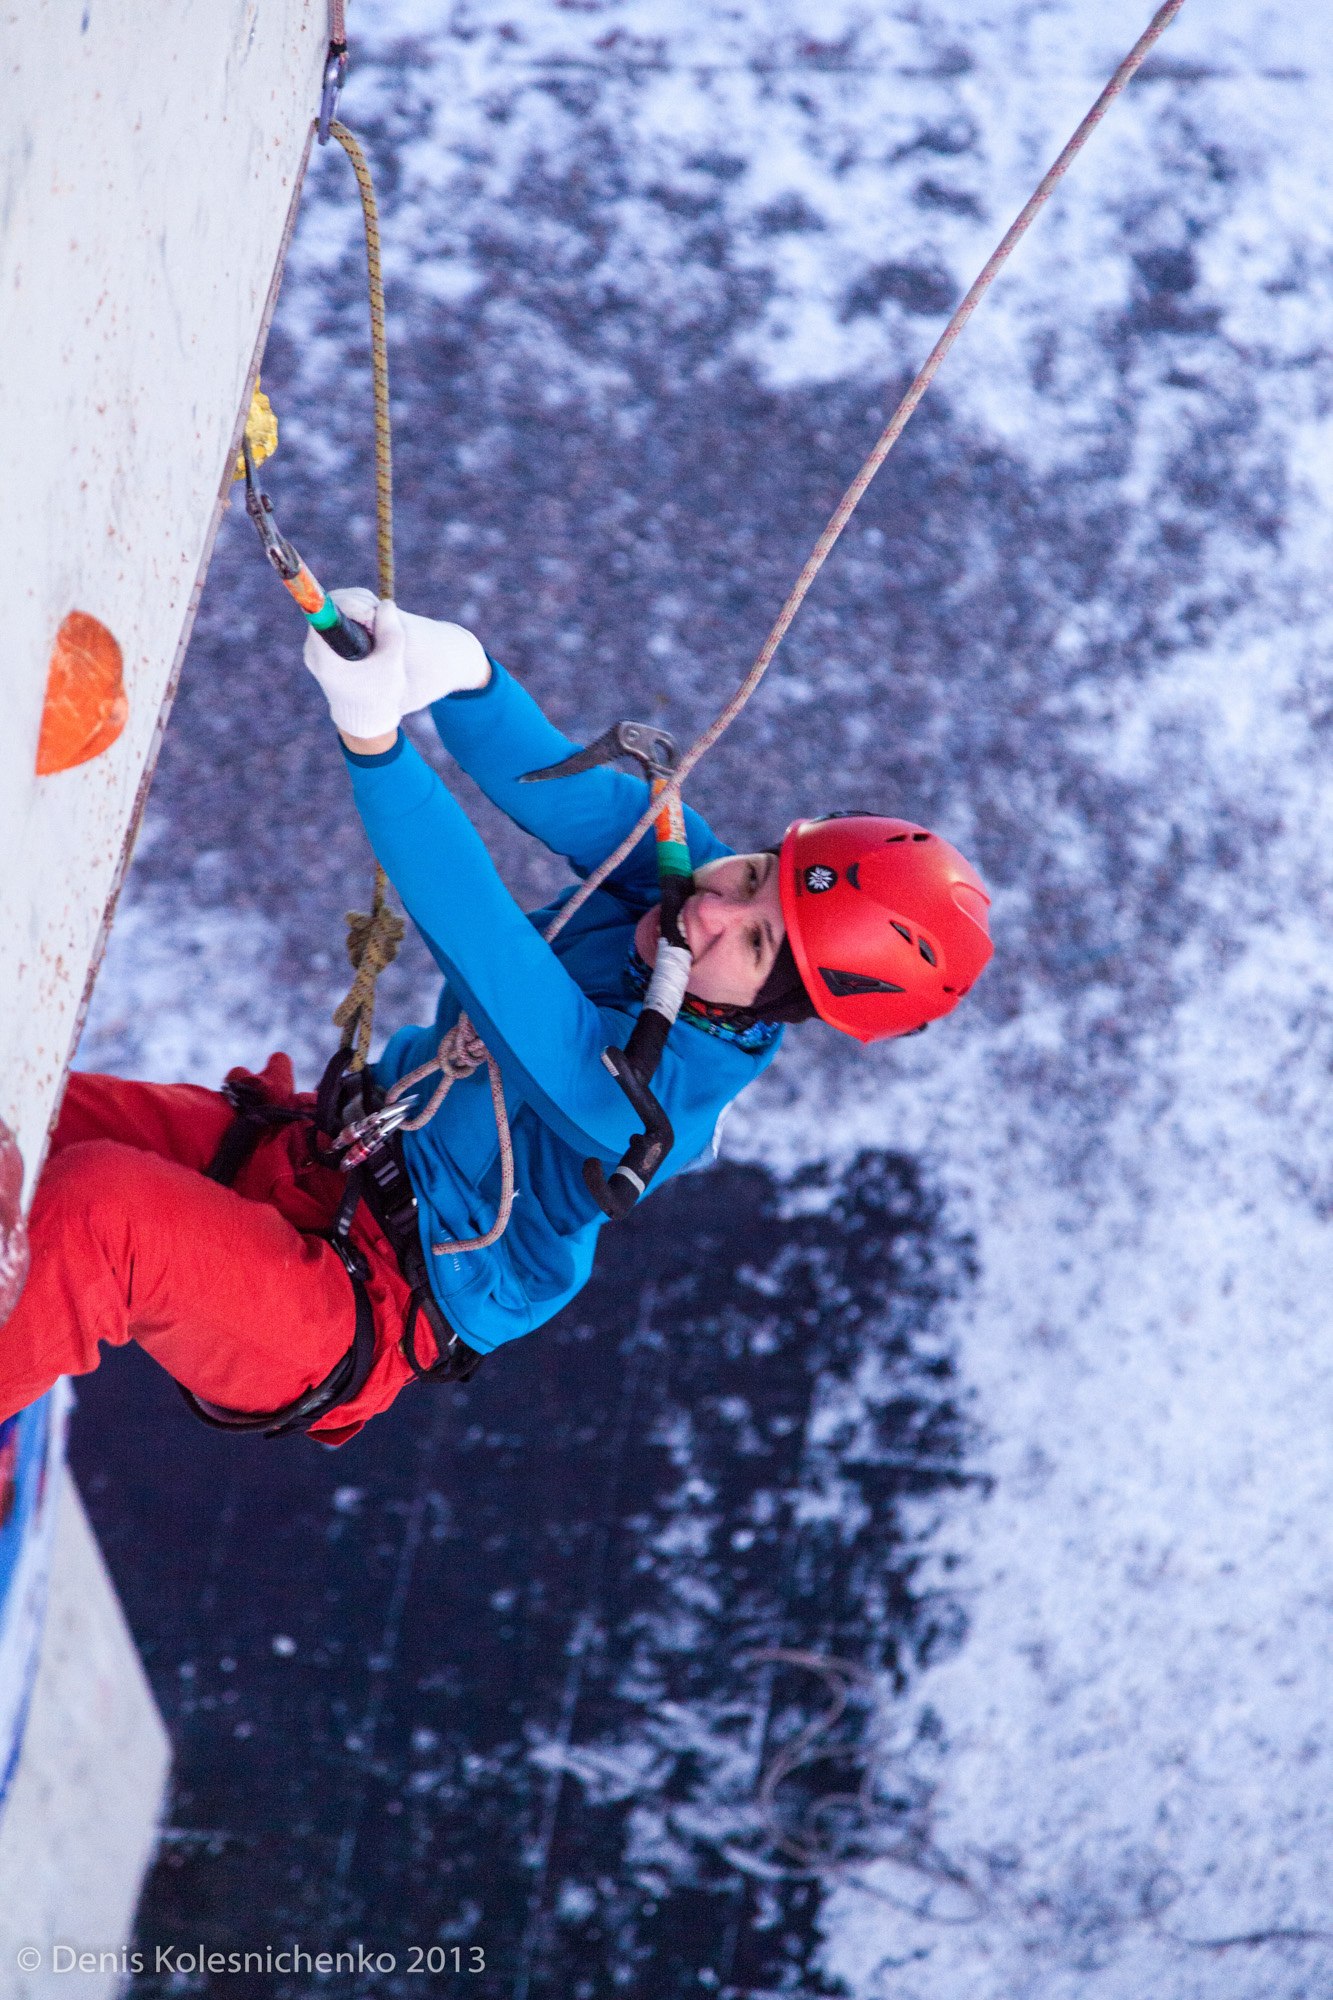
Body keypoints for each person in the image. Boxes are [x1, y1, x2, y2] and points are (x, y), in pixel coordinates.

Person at [0, 598, 993, 1445]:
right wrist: (458, 674)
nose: (715, 908)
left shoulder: (648, 1108)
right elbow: (564, 788)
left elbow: (487, 948)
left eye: (761, 943)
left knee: (97, 1216)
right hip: (315, 1154)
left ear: (780, 1005)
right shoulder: (697, 893)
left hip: (353, 1305)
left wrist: (376, 745)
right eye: (755, 872)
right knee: (24, 1115)